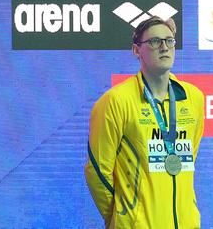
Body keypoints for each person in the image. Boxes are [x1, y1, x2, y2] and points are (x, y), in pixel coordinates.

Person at [85, 16, 205, 228]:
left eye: (169, 41)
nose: (164, 47)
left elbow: (188, 158)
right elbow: (97, 171)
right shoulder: (115, 101)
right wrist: (123, 216)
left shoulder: (193, 98)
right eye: (155, 42)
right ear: (136, 50)